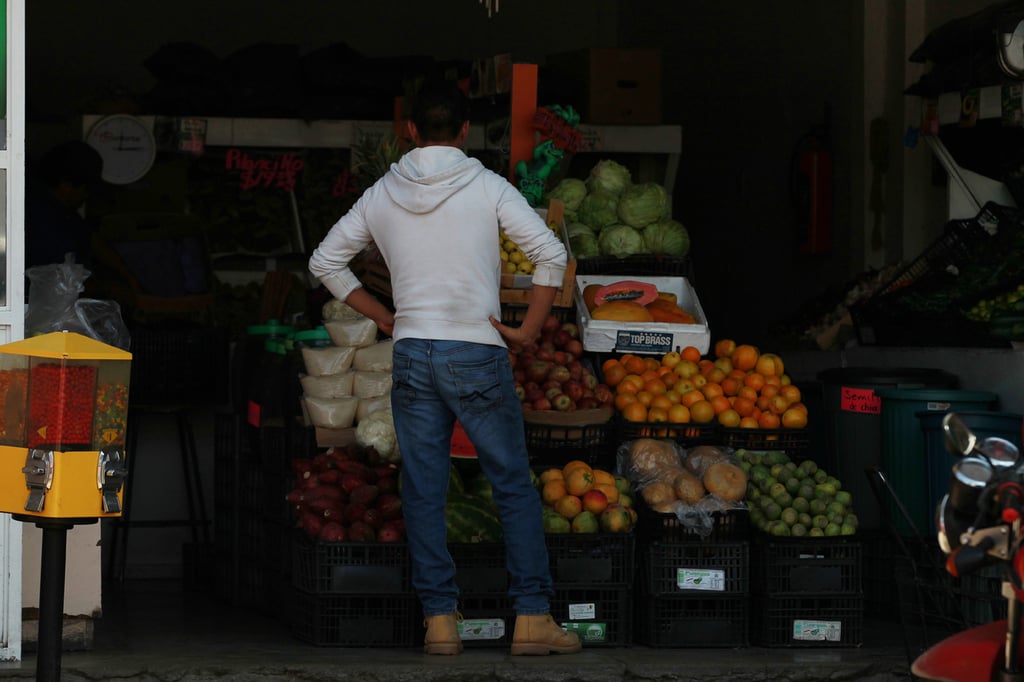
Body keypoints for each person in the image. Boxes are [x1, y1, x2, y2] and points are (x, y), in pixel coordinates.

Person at [308, 78, 580, 657]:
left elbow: (325, 260)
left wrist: (384, 315)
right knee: (511, 485)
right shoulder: (488, 186)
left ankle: (440, 625)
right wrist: (529, 328)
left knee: (423, 490)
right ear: (464, 131)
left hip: (412, 351)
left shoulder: (382, 192)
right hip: (476, 352)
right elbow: (551, 253)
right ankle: (532, 620)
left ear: (409, 131)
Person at [25, 140, 106, 270]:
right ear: (66, 186)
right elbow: (62, 278)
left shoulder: (63, 211)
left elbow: (89, 237)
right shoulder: (43, 223)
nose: (87, 196)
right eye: (85, 190)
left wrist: (130, 278)